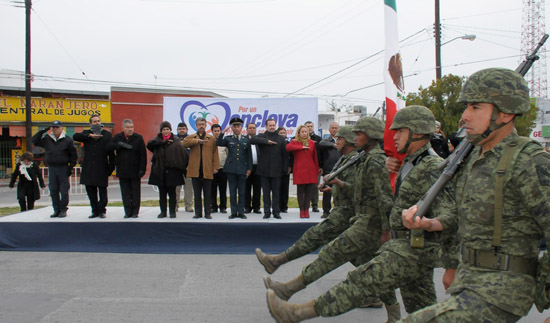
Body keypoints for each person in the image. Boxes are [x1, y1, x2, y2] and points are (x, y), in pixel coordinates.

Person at [265, 106, 458, 323]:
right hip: (407, 243)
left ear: (418, 132)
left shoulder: (431, 166)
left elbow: (450, 215)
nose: (394, 138)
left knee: (362, 280)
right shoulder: (411, 163)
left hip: (413, 247)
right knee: (420, 308)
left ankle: (296, 313)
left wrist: (446, 256)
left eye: (400, 132)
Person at [400, 68, 550, 322]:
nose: (465, 116)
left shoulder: (529, 160)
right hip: (469, 281)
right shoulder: (472, 159)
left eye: (475, 107)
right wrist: (432, 223)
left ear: (506, 113)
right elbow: (463, 215)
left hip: (504, 288)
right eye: (466, 107)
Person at [264, 117, 397, 318]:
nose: (355, 137)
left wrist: (386, 231)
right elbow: (361, 190)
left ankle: (289, 295)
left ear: (370, 137)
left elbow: (384, 197)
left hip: (369, 223)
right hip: (362, 219)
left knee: (331, 254)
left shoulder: (375, 160)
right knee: (374, 270)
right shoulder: (365, 158)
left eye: (359, 134)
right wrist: (338, 185)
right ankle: (393, 314)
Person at [256, 126, 357, 275]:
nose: (336, 142)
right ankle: (279, 264)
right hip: (344, 212)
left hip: (354, 215)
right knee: (318, 239)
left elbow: (358, 189)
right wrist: (334, 187)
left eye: (340, 139)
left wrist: (336, 183)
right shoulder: (346, 158)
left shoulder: (358, 159)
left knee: (345, 251)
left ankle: (279, 265)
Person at [32, 120, 77, 218]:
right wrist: (43, 130)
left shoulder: (67, 140)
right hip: (52, 167)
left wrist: (70, 167)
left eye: (57, 127)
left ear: (62, 128)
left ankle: (63, 209)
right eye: (53, 127)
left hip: (63, 167)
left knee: (64, 190)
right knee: (53, 190)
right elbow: (34, 140)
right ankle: (56, 209)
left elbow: (73, 155)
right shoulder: (47, 139)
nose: (55, 129)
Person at [73, 115, 116, 219]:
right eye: (94, 121)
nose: (96, 123)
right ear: (90, 124)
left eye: (98, 121)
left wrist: (111, 168)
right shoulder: (86, 133)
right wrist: (90, 136)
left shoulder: (107, 135)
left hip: (102, 167)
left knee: (102, 192)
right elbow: (75, 136)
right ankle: (94, 210)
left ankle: (102, 210)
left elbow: (111, 153)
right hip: (89, 168)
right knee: (91, 192)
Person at [147, 121, 188, 218]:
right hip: (160, 170)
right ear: (161, 131)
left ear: (170, 130)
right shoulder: (157, 140)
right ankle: (163, 212)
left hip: (172, 171)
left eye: (167, 129)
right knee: (162, 194)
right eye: (164, 129)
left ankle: (172, 211)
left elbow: (183, 155)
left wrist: (182, 168)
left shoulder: (176, 140)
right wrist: (162, 142)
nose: (166, 131)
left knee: (172, 193)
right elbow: (149, 145)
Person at [107, 119, 147, 218]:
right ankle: (127, 211)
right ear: (123, 128)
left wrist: (142, 169)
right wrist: (119, 145)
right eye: (128, 127)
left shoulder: (138, 138)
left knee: (135, 192)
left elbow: (143, 155)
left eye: (132, 127)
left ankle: (135, 212)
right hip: (122, 169)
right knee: (125, 192)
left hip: (135, 170)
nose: (130, 129)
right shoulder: (118, 137)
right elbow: (108, 147)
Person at [250, 119, 288, 219]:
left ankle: (276, 212)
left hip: (277, 170)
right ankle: (267, 212)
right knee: (266, 193)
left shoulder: (280, 138)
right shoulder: (262, 136)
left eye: (273, 125)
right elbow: (252, 140)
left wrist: (285, 168)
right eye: (270, 125)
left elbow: (285, 155)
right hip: (264, 170)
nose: (272, 127)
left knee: (276, 193)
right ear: (266, 126)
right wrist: (266, 141)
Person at [216, 117, 252, 219]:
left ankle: (241, 212)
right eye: (234, 126)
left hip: (242, 169)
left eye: (238, 126)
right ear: (232, 128)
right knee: (232, 192)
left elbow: (249, 156)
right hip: (231, 169)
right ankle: (233, 212)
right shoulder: (228, 139)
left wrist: (249, 169)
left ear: (241, 128)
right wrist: (222, 133)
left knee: (242, 192)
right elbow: (218, 143)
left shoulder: (246, 140)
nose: (237, 128)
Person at [183, 117, 219, 219]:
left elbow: (215, 153)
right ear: (196, 126)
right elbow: (184, 143)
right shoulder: (192, 137)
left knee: (207, 193)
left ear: (206, 125)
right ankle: (198, 213)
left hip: (207, 169)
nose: (201, 126)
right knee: (197, 193)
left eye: (203, 124)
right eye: (199, 124)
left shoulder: (211, 138)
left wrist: (215, 166)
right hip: (195, 170)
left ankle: (208, 213)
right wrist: (197, 141)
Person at [285, 125, 319, 218]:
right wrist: (302, 147)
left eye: (306, 132)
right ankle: (301, 210)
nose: (304, 133)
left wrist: (316, 170)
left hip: (310, 169)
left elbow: (315, 157)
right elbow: (288, 148)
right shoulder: (294, 142)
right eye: (302, 132)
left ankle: (306, 210)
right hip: (299, 169)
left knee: (309, 191)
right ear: (299, 133)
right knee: (300, 190)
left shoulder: (312, 143)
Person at [317, 122, 341, 218]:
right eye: (332, 128)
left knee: (340, 191)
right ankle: (326, 211)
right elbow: (321, 143)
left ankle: (338, 211)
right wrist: (333, 145)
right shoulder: (326, 140)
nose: (334, 129)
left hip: (341, 169)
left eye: (336, 128)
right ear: (329, 130)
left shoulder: (342, 140)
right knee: (327, 192)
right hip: (329, 169)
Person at [175, 122, 194, 212]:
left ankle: (189, 206)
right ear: (177, 130)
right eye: (180, 129)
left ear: (187, 130)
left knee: (188, 188)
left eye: (183, 129)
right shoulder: (174, 139)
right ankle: (175, 205)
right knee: (176, 188)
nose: (181, 130)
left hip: (188, 167)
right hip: (177, 167)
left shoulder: (191, 139)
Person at [304, 121, 322, 212]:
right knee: (304, 187)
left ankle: (315, 205)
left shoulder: (318, 139)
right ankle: (304, 206)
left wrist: (321, 166)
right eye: (307, 126)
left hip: (315, 167)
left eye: (311, 126)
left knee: (314, 187)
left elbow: (321, 154)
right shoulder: (299, 139)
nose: (309, 128)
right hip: (304, 167)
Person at [245, 122, 262, 214]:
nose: (252, 129)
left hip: (258, 168)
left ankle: (256, 207)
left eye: (253, 128)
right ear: (247, 130)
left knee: (257, 188)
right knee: (246, 188)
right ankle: (247, 207)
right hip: (247, 168)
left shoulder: (259, 140)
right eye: (250, 128)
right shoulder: (244, 140)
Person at [211, 124, 228, 214]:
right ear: (212, 132)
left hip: (223, 169)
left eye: (218, 131)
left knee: (223, 189)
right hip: (212, 169)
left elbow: (228, 155)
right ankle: (213, 206)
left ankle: (223, 207)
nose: (217, 132)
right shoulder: (209, 141)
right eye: (215, 131)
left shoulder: (225, 142)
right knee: (212, 189)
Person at [277, 127, 292, 213]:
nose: (282, 134)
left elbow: (292, 156)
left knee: (285, 189)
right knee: (277, 188)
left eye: (284, 133)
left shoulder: (289, 144)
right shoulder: (275, 143)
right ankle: (277, 206)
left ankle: (284, 207)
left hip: (286, 169)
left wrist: (290, 166)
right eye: (281, 133)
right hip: (277, 169)